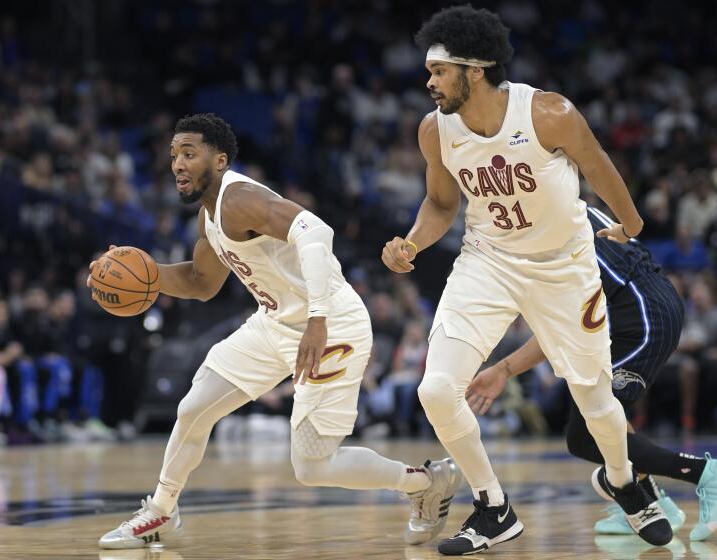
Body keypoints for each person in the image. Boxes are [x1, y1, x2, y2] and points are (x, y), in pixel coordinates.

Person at [93, 114, 462, 549]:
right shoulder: (210, 217)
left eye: (189, 154)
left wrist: (318, 318)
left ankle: (424, 483)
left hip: (332, 325)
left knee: (312, 467)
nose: (177, 163)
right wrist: (142, 273)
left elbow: (316, 232)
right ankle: (160, 512)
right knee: (194, 407)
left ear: (220, 159)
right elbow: (200, 282)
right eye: (174, 155)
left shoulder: (240, 198)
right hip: (275, 324)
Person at [383, 6, 672, 554]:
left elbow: (598, 164)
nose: (428, 82)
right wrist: (412, 242)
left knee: (594, 396)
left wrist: (630, 221)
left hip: (563, 267)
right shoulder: (434, 130)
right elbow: (441, 203)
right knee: (437, 389)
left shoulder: (548, 113)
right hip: (486, 260)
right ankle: (494, 507)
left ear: (476, 70)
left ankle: (623, 479)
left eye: (439, 71)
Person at [467, 206, 717, 542]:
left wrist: (504, 368)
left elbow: (560, 324)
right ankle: (653, 501)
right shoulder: (566, 203)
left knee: (587, 434)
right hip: (639, 306)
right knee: (603, 420)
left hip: (642, 317)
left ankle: (710, 474)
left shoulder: (540, 230)